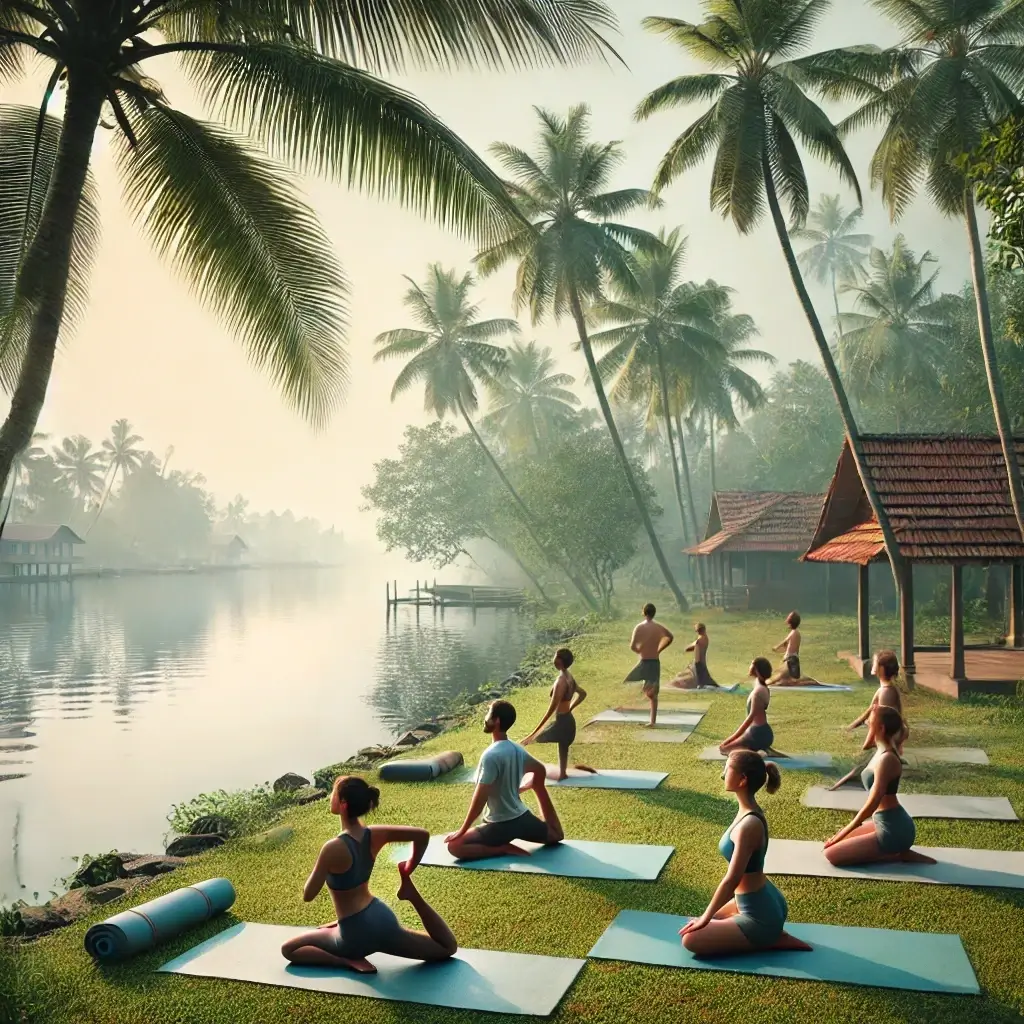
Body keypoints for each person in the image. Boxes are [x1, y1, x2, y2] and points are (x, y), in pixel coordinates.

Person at [280, 776, 457, 973]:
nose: (330, 797)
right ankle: (412, 896)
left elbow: (308, 895)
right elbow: (422, 835)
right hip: (382, 918)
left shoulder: (332, 848)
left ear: (343, 803)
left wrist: (320, 865)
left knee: (289, 949)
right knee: (446, 948)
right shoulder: (375, 833)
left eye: (333, 793)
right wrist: (409, 867)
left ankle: (347, 959)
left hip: (353, 935)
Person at [680, 750, 811, 957]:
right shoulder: (747, 811)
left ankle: (770, 938)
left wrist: (706, 917)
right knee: (693, 922)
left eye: (727, 770)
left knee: (691, 938)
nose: (722, 775)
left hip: (759, 914)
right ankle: (767, 932)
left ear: (742, 780)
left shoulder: (749, 824)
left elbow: (732, 879)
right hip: (755, 900)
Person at [445, 699, 564, 860]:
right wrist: (536, 787)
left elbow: (480, 800)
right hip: (522, 819)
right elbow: (539, 769)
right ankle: (504, 845)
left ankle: (502, 848)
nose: (485, 718)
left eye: (488, 714)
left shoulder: (490, 756)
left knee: (455, 847)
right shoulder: (516, 749)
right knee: (556, 834)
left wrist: (462, 830)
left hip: (499, 826)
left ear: (497, 721)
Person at [823, 705, 936, 867]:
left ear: (881, 728)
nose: (867, 722)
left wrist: (847, 828)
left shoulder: (887, 759)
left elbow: (874, 802)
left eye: (871, 721)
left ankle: (897, 853)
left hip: (894, 829)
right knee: (835, 844)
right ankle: (898, 851)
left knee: (831, 855)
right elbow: (867, 744)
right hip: (882, 821)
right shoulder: (880, 751)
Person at [829, 650, 910, 791]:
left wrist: (868, 742)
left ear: (882, 668)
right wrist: (851, 726)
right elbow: (870, 711)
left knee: (862, 767)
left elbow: (881, 723)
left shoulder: (886, 692)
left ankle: (841, 785)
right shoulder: (883, 689)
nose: (873, 664)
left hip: (888, 736)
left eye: (875, 662)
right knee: (863, 766)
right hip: (887, 733)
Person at [522, 648, 592, 781]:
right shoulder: (569, 677)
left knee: (529, 742)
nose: (553, 659)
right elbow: (583, 694)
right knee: (562, 747)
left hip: (562, 723)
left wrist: (532, 734)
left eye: (555, 657)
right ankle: (562, 774)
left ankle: (523, 768)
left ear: (559, 661)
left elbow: (551, 710)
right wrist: (570, 708)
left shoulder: (561, 681)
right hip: (568, 721)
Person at [624, 603, 674, 725]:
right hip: (654, 661)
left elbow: (632, 646)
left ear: (643, 612)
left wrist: (639, 651)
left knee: (648, 690)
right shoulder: (658, 627)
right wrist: (660, 649)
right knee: (651, 692)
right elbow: (670, 637)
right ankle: (652, 721)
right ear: (654, 613)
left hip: (645, 660)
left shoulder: (639, 627)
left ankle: (652, 721)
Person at [719, 657, 781, 755]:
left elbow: (750, 719)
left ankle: (757, 750)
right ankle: (759, 749)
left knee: (724, 749)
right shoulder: (762, 687)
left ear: (756, 669)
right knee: (726, 748)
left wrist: (729, 740)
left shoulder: (758, 692)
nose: (749, 667)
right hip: (759, 731)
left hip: (758, 734)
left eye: (752, 664)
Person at [674, 623, 718, 689]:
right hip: (701, 662)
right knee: (705, 678)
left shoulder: (699, 640)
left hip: (698, 663)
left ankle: (699, 687)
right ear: (704, 629)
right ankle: (714, 687)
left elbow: (688, 649)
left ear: (697, 631)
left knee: (694, 677)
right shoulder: (705, 638)